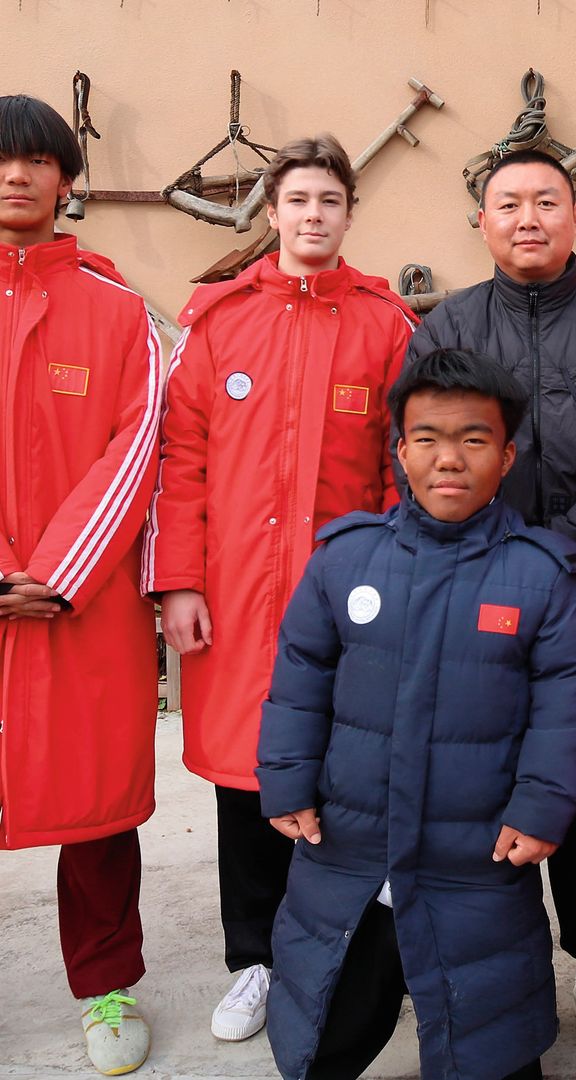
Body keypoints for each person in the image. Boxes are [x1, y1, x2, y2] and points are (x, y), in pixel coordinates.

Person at [256, 348, 576, 1080]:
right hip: (347, 844)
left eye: (474, 440)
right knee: (327, 1015)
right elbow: (301, 675)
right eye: (428, 439)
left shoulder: (543, 576)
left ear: (507, 456)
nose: (450, 459)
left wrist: (543, 805)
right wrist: (284, 777)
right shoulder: (345, 559)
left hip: (474, 858)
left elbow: (565, 708)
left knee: (489, 1028)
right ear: (399, 451)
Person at [142, 134, 416, 1042]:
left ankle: (333, 949)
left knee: (339, 778)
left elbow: (401, 471)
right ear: (272, 214)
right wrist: (177, 582)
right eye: (296, 201)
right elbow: (181, 460)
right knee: (243, 779)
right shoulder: (217, 322)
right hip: (234, 597)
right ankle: (253, 959)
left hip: (345, 605)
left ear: (348, 215)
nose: (311, 216)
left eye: (329, 202)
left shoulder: (386, 324)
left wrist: (393, 590)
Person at [403, 148, 576, 1066]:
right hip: (471, 594)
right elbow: (419, 452)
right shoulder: (446, 328)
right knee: (478, 784)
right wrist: (497, 558)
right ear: (482, 221)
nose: (528, 218)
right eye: (508, 203)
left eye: (546, 202)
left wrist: (557, 550)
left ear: (575, 216)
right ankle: (491, 985)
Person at [0, 94, 161, 1075]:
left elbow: (138, 447)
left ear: (67, 181)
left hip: (80, 608)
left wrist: (57, 573)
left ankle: (106, 984)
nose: (15, 174)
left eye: (35, 160)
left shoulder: (118, 310)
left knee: (95, 814)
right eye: (0, 159)